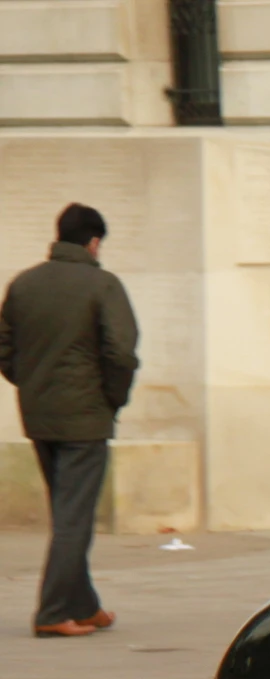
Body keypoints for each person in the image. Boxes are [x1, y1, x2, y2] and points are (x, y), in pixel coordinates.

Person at [0, 203, 140, 638]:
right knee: (74, 519)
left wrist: (29, 382)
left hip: (39, 415)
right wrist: (111, 400)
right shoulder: (103, 284)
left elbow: (4, 346)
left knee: (67, 512)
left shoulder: (24, 284)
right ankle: (52, 612)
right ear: (94, 241)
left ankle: (84, 605)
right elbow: (120, 352)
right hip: (85, 418)